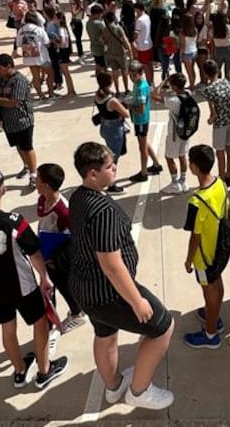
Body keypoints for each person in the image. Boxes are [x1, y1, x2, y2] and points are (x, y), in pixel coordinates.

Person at [69, 142, 175, 409]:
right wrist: (136, 300)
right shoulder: (103, 211)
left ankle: (114, 387)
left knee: (105, 335)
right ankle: (139, 391)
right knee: (162, 327)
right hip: (108, 291)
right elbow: (111, 264)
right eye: (108, 166)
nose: (115, 167)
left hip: (84, 287)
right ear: (92, 173)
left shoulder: (78, 196)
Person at [0, 168, 68, 389]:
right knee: (40, 324)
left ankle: (19, 370)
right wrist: (44, 277)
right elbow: (35, 254)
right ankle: (44, 371)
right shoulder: (14, 222)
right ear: (3, 190)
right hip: (23, 286)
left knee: (7, 329)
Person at [182, 145, 230, 349]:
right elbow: (227, 209)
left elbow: (195, 236)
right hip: (220, 248)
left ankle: (210, 334)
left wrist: (188, 259)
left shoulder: (196, 201)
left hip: (204, 256)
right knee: (217, 284)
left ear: (193, 167)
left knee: (208, 291)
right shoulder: (220, 183)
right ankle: (214, 316)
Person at [35, 163, 85, 331]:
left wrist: (54, 257)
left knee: (64, 286)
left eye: (38, 179)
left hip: (59, 256)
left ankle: (77, 314)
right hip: (46, 250)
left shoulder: (63, 211)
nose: (35, 181)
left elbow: (70, 237)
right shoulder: (42, 199)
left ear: (46, 186)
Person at [0, 53, 38, 188]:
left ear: (8, 66)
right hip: (8, 121)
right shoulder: (0, 79)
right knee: (18, 146)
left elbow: (13, 102)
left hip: (22, 120)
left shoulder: (20, 81)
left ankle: (34, 174)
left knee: (27, 147)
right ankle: (26, 165)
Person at [126, 61, 164, 184]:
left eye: (134, 75)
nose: (132, 78)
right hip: (140, 120)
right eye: (130, 75)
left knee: (142, 148)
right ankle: (156, 165)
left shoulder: (141, 87)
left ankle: (143, 173)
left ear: (140, 73)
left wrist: (129, 106)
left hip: (141, 120)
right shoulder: (139, 83)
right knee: (145, 143)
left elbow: (141, 109)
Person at [155, 73, 193, 194]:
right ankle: (183, 181)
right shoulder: (188, 94)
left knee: (169, 157)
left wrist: (162, 83)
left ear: (175, 86)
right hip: (186, 132)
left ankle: (174, 183)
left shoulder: (173, 101)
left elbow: (154, 95)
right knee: (182, 156)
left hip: (174, 134)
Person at [201, 59, 230, 185]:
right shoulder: (226, 82)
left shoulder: (208, 90)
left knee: (220, 151)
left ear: (205, 74)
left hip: (220, 123)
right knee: (229, 148)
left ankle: (221, 177)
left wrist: (210, 120)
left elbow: (213, 113)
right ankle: (228, 174)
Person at [93, 71, 130, 194]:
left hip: (105, 127)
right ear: (110, 82)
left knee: (109, 153)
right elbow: (126, 114)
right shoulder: (111, 100)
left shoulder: (98, 96)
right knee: (113, 158)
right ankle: (111, 184)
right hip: (114, 129)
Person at [18, 11, 54, 100]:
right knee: (50, 73)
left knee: (35, 76)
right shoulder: (38, 29)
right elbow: (47, 42)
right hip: (41, 56)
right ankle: (51, 92)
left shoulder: (21, 30)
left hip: (28, 57)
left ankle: (40, 95)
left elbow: (18, 43)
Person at [103, 11, 133, 95]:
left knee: (114, 72)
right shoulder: (118, 28)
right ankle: (126, 89)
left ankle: (117, 91)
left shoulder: (105, 30)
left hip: (111, 53)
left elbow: (103, 41)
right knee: (124, 72)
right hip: (120, 53)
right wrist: (130, 52)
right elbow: (125, 40)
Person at [49, 11, 77, 98]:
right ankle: (72, 90)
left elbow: (62, 42)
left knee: (66, 73)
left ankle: (70, 92)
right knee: (66, 73)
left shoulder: (61, 29)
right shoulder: (64, 28)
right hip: (65, 52)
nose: (53, 20)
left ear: (59, 19)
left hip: (62, 52)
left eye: (55, 18)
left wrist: (54, 41)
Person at [132, 2, 155, 86]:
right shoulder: (147, 17)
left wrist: (132, 41)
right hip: (149, 44)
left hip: (142, 46)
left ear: (138, 9)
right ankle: (152, 82)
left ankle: (149, 84)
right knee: (150, 65)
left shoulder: (139, 20)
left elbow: (136, 34)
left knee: (145, 67)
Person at [86, 4, 107, 73]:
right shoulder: (100, 24)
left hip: (93, 46)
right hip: (101, 48)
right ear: (97, 14)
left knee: (97, 65)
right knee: (103, 66)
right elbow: (105, 34)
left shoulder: (88, 23)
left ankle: (98, 79)